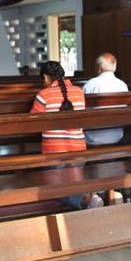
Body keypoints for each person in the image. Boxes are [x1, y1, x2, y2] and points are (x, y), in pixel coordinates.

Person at [31, 61, 96, 209]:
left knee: (49, 188)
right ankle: (90, 196)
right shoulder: (79, 92)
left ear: (46, 78)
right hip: (79, 151)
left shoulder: (44, 94)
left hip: (54, 154)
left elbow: (33, 123)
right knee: (73, 180)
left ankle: (85, 199)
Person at [82, 52, 129, 146]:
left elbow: (82, 110)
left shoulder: (90, 84)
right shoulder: (122, 85)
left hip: (93, 135)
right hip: (117, 135)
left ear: (99, 67)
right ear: (114, 68)